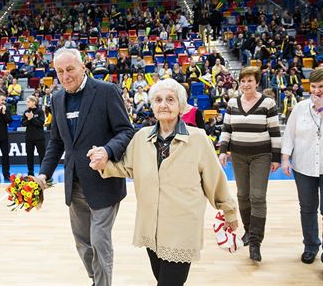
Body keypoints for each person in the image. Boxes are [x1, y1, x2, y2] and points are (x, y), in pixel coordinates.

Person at [88, 79, 238, 286]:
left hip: (182, 226)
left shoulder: (198, 138)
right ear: (152, 105)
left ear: (181, 106)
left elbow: (215, 180)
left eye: (170, 99)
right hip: (151, 227)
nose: (163, 105)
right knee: (162, 279)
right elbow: (126, 167)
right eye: (158, 100)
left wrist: (229, 211)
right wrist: (103, 164)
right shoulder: (140, 137)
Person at [37, 48, 134, 286]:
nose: (65, 75)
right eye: (60, 71)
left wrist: (107, 151)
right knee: (83, 242)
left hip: (104, 179)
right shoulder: (57, 98)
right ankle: (95, 278)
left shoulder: (106, 91)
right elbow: (57, 142)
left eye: (70, 69)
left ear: (83, 67)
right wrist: (43, 175)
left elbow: (126, 131)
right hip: (75, 183)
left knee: (100, 239)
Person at [219, 66, 281, 262]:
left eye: (250, 81)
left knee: (257, 197)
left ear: (257, 82)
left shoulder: (268, 103)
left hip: (261, 156)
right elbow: (226, 128)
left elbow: (274, 132)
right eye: (243, 81)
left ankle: (255, 242)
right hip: (237, 155)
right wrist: (222, 150)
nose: (246, 84)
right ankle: (248, 230)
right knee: (242, 195)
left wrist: (277, 158)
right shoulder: (232, 102)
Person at [281, 67, 323, 264]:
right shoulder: (299, 108)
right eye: (313, 86)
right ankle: (311, 245)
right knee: (307, 208)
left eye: (321, 86)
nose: (317, 91)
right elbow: (289, 134)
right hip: (304, 166)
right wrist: (285, 158)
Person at [21, 96, 46, 176]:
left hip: (39, 137)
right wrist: (28, 119)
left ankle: (43, 172)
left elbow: (41, 123)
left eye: (28, 102)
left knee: (42, 155)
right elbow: (23, 124)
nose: (26, 103)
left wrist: (32, 118)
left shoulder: (40, 111)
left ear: (33, 102)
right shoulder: (26, 112)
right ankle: (30, 172)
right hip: (29, 137)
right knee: (29, 155)